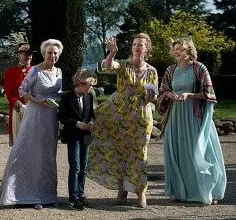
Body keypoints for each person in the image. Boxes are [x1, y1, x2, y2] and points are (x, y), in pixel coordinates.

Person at [88, 34, 158, 208]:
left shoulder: (152, 71)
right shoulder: (123, 65)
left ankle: (141, 192)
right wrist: (111, 52)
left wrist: (151, 96)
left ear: (147, 48)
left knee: (140, 154)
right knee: (119, 152)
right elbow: (108, 66)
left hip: (141, 116)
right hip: (118, 115)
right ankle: (121, 190)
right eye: (134, 44)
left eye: (140, 45)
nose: (136, 47)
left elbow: (154, 95)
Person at [158, 38, 226, 204]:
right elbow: (163, 89)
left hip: (194, 116)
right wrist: (169, 95)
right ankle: (181, 192)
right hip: (175, 116)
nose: (176, 52)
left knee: (198, 151)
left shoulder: (199, 68)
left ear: (189, 51)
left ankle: (208, 191)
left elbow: (209, 93)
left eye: (180, 49)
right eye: (175, 50)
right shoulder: (170, 70)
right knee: (178, 152)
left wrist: (190, 95)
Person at [0, 39, 63, 209]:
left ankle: (45, 193)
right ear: (43, 54)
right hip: (36, 115)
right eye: (49, 52)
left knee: (48, 155)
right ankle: (26, 193)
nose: (52, 55)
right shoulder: (35, 71)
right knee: (31, 152)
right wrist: (38, 101)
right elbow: (22, 91)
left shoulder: (59, 72)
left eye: (55, 53)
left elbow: (58, 92)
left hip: (51, 118)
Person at [59, 69, 97, 211]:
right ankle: (73, 198)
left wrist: (91, 122)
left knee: (84, 166)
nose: (92, 88)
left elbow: (92, 114)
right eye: (90, 85)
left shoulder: (89, 97)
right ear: (82, 83)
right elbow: (62, 117)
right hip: (73, 136)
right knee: (75, 167)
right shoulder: (67, 97)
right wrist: (77, 123)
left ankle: (80, 193)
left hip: (85, 136)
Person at [3, 44, 34, 146]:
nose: (27, 56)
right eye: (24, 54)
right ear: (18, 55)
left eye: (29, 54)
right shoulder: (10, 72)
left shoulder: (37, 72)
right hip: (18, 110)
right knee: (19, 143)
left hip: (35, 109)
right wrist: (20, 106)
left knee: (34, 142)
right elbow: (9, 93)